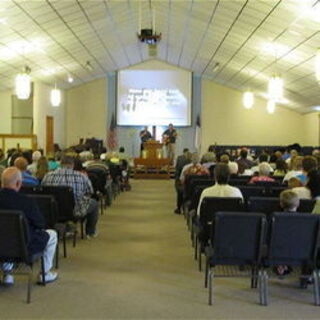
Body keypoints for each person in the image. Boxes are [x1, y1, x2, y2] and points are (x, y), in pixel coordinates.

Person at [0, 167, 58, 285]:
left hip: (2, 245)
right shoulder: (26, 201)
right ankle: (44, 274)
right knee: (52, 234)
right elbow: (40, 224)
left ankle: (8, 274)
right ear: (18, 183)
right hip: (23, 247)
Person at [42, 155, 99, 239]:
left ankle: (64, 228)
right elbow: (90, 192)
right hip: (75, 211)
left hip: (53, 210)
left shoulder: (48, 176)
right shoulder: (81, 176)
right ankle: (90, 232)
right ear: (73, 165)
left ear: (60, 164)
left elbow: (43, 191)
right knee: (94, 203)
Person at [174, 148, 192, 214]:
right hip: (194, 188)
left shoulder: (186, 168)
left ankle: (179, 208)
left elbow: (181, 177)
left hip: (185, 185)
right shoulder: (201, 168)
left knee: (180, 191)